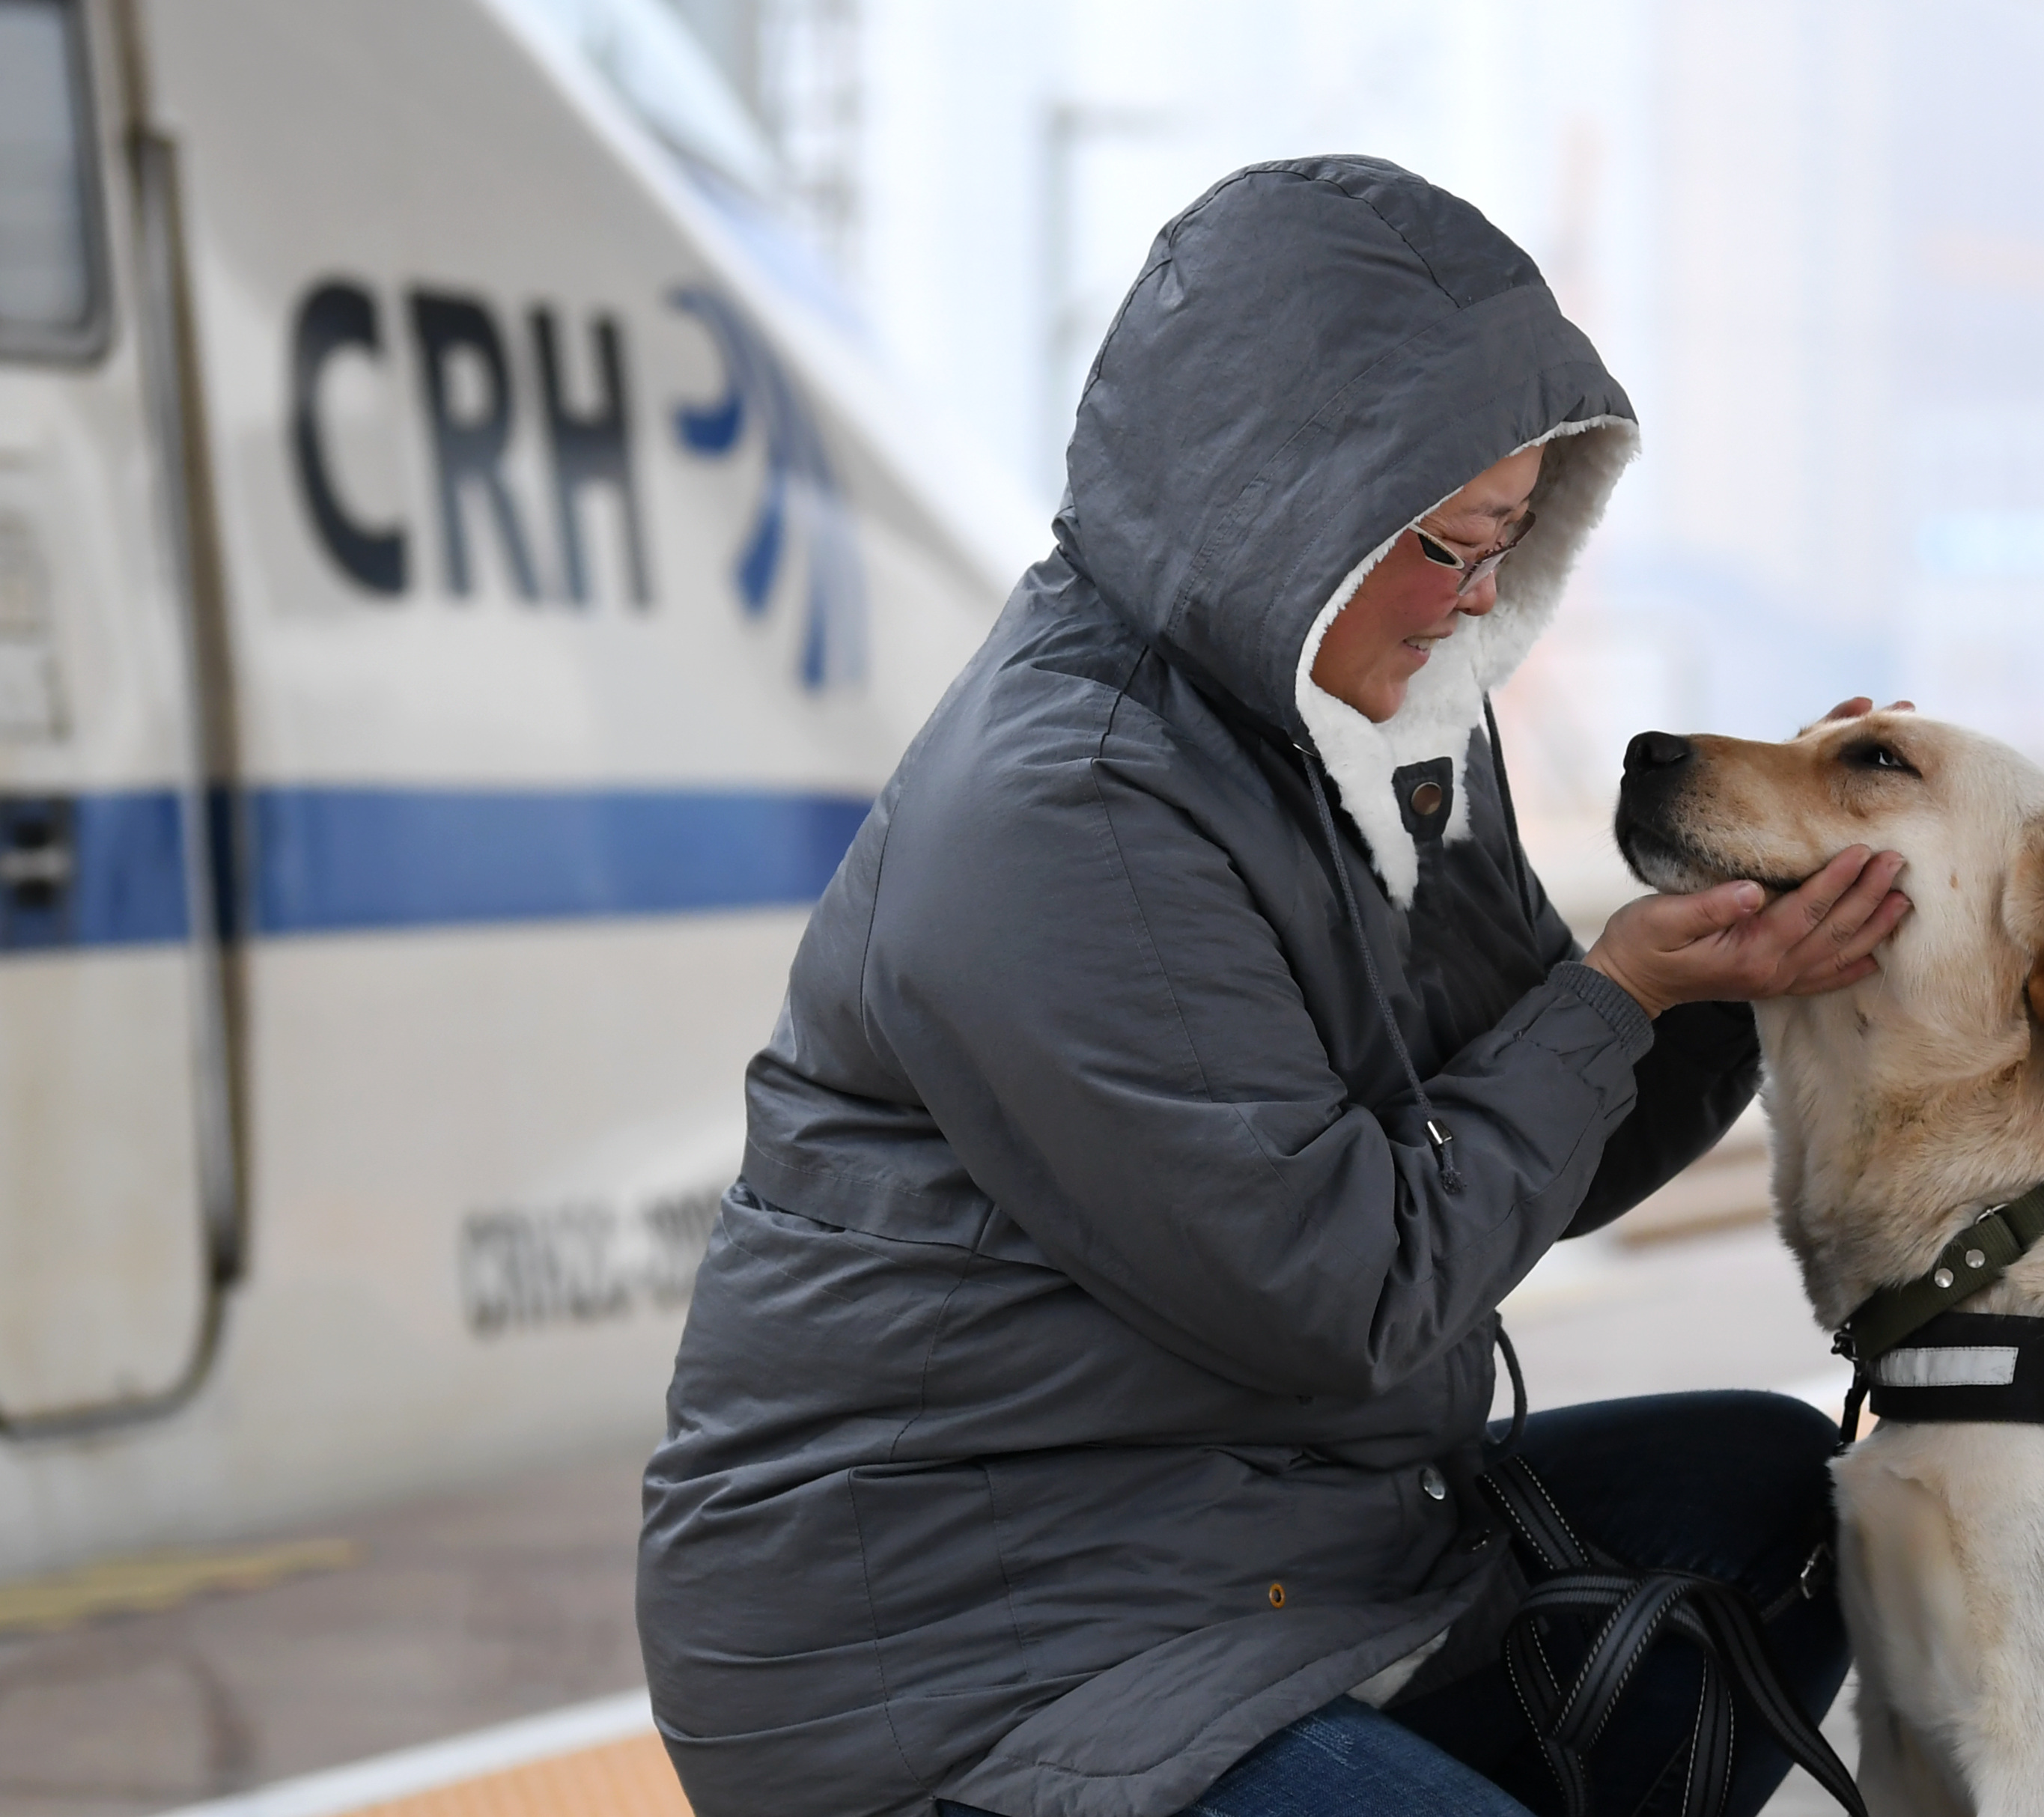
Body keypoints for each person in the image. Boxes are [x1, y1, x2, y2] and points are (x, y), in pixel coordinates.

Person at [637, 156, 1909, 1817]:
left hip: (1263, 1537)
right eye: (1446, 544)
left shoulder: (1368, 734)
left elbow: (1531, 1153)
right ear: (1283, 512)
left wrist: (1743, 972)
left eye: (1512, 546)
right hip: (969, 1649)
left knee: (1778, 1504)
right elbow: (1350, 1287)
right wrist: (1612, 991)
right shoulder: (1066, 810)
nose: (1474, 600)